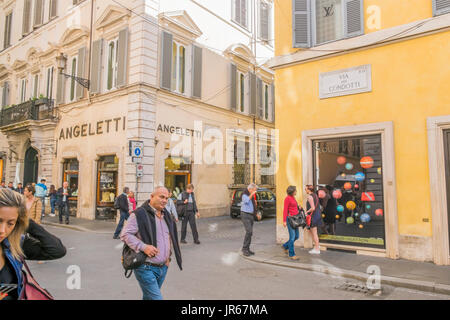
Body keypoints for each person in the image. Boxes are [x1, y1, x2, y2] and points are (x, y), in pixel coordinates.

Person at [0, 188, 66, 300]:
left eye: (10, 223)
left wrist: (26, 222)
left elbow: (57, 250)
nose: (2, 230)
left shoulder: (15, 245)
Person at [120, 186, 182, 300]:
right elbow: (125, 234)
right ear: (152, 197)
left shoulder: (166, 215)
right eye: (161, 197)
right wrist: (143, 247)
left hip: (163, 268)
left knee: (149, 298)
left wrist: (168, 257)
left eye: (167, 198)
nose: (164, 200)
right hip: (145, 267)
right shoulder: (139, 214)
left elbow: (169, 236)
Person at [282, 186, 301, 260]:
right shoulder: (287, 198)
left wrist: (298, 207)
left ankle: (285, 246)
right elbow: (285, 210)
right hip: (290, 220)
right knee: (292, 237)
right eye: (295, 190)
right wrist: (284, 221)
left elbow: (293, 207)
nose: (296, 191)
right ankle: (291, 254)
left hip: (295, 219)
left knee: (297, 236)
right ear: (292, 191)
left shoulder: (293, 197)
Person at [240, 183, 259, 257]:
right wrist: (252, 194)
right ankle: (244, 249)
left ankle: (247, 248)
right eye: (254, 190)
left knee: (250, 233)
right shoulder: (244, 194)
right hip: (245, 215)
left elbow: (253, 205)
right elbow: (247, 200)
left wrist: (256, 213)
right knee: (249, 231)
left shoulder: (252, 196)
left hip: (251, 215)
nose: (255, 191)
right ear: (250, 189)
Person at [305, 185, 322, 254]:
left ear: (309, 190)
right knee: (312, 232)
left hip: (313, 216)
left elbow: (313, 208)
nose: (305, 190)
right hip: (317, 215)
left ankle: (317, 249)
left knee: (314, 233)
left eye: (305, 189)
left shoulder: (310, 196)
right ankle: (317, 246)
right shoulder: (315, 195)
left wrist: (306, 212)